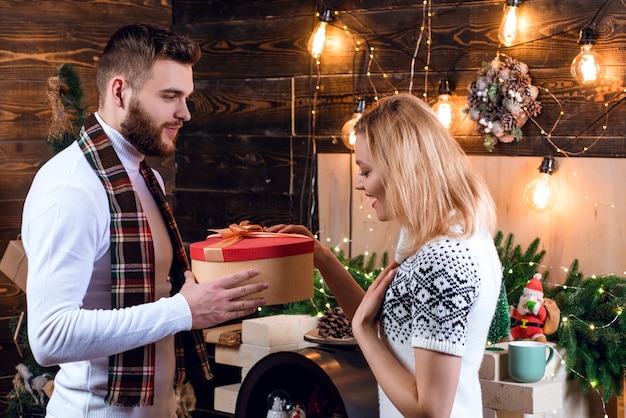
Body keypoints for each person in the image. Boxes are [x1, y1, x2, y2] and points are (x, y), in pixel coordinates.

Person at [21, 23, 268, 417]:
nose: (185, 113)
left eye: (185, 97)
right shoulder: (72, 187)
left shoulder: (145, 175)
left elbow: (156, 294)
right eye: (170, 96)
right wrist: (183, 311)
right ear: (120, 91)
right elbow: (50, 338)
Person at [269, 93, 502, 417]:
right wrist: (322, 257)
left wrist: (363, 334)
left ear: (402, 169)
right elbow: (390, 327)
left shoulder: (443, 259)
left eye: (365, 170)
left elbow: (431, 410)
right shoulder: (455, 231)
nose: (358, 183)